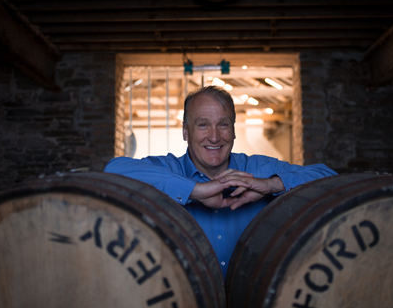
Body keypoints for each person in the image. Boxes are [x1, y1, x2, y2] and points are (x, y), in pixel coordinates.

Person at [104, 86, 337, 277]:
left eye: (223, 124)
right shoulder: (168, 168)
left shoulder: (259, 169)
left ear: (234, 130)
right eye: (203, 124)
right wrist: (195, 190)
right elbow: (114, 170)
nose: (214, 137)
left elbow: (328, 176)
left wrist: (271, 185)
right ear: (186, 132)